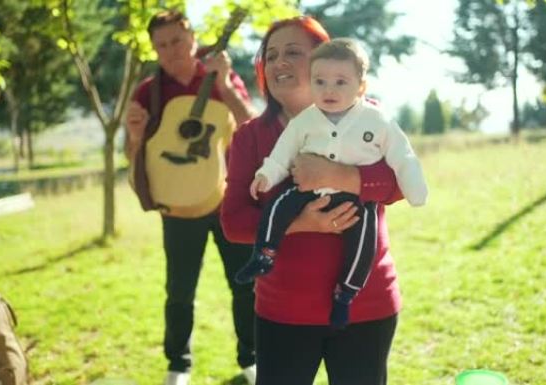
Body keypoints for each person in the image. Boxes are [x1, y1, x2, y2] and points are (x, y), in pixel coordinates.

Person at [221, 16, 408, 385]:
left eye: (293, 52)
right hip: (283, 313)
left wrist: (339, 176)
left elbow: (401, 182)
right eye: (270, 56)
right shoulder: (250, 137)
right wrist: (300, 221)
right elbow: (234, 222)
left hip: (366, 305)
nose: (279, 63)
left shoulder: (370, 116)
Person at [234, 38, 427, 329]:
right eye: (320, 82)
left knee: (364, 246)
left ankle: (345, 294)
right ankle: (265, 254)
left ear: (361, 87)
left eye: (340, 82)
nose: (329, 90)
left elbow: (403, 157)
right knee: (277, 207)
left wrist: (415, 192)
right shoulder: (305, 120)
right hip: (308, 192)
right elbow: (283, 152)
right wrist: (267, 175)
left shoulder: (378, 120)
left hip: (357, 202)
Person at [124, 9, 257, 385]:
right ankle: (178, 366)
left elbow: (251, 127)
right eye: (161, 45)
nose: (171, 51)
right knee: (179, 290)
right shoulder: (148, 92)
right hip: (179, 204)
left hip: (229, 199)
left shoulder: (219, 78)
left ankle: (251, 358)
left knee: (245, 284)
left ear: (193, 40)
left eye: (177, 41)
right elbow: (136, 156)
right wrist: (134, 136)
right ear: (154, 49)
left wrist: (226, 86)